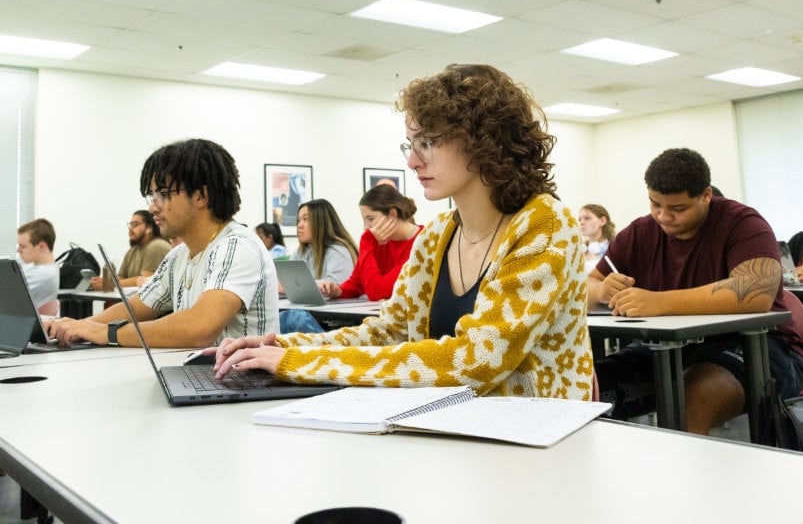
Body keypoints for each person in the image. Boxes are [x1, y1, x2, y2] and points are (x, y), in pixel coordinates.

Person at [210, 63, 593, 400]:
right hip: (454, 428)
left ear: (485, 142)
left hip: (534, 444)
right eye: (410, 145)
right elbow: (389, 332)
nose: (412, 161)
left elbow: (477, 361)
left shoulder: (544, 224)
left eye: (427, 142)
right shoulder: (437, 235)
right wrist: (281, 345)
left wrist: (302, 361)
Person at [590, 148, 803, 435]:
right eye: (655, 204)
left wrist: (658, 302)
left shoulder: (743, 223)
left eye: (678, 209)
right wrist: (602, 289)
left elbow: (755, 293)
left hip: (754, 346)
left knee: (692, 401)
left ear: (705, 196)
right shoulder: (640, 232)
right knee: (589, 388)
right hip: (668, 347)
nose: (664, 216)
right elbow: (589, 284)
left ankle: (685, 478)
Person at [46, 139, 279, 348]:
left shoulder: (237, 247)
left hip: (243, 385)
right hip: (200, 378)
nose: (153, 207)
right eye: (153, 195)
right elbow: (136, 308)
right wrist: (78, 327)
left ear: (201, 196)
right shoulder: (178, 256)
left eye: (164, 194)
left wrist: (107, 332)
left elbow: (199, 329)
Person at [318, 184, 422, 301]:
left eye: (371, 219)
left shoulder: (421, 242)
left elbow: (379, 292)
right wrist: (338, 290)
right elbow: (357, 283)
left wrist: (366, 241)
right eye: (364, 220)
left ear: (392, 214)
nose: (367, 227)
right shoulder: (379, 241)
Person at [278, 198, 359, 333]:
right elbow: (288, 284)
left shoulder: (339, 251)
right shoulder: (302, 251)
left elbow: (334, 290)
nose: (299, 225)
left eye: (305, 219)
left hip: (335, 323)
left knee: (292, 318)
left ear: (321, 223)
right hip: (313, 315)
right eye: (298, 220)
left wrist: (285, 288)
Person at [90, 210, 171, 290]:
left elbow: (144, 280)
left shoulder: (157, 246)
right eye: (130, 225)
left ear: (149, 228)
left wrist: (108, 283)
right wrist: (109, 282)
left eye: (135, 224)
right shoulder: (132, 251)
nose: (130, 228)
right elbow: (120, 278)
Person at [577, 204, 616, 274]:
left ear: (602, 221)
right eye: (579, 219)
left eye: (587, 218)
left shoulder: (614, 249)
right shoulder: (579, 250)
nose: (581, 222)